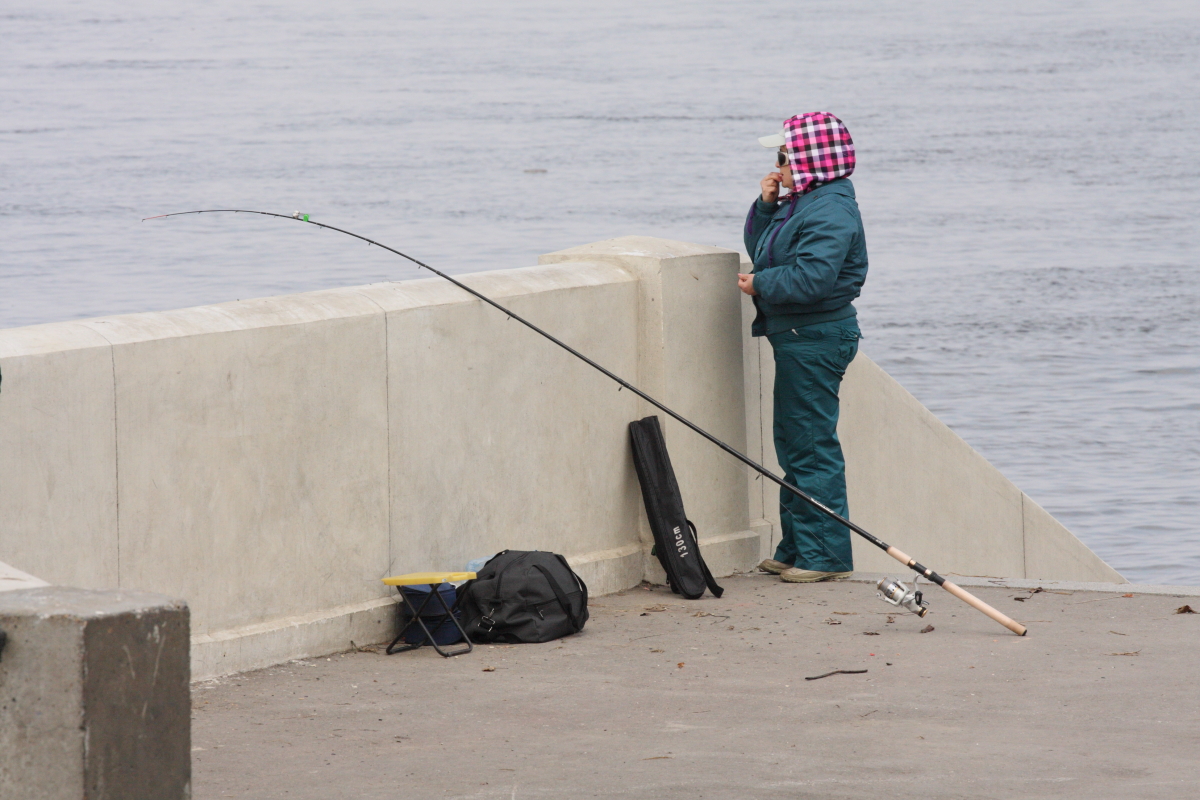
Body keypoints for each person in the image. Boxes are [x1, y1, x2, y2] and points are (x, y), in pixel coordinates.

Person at [739, 112, 867, 583]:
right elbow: (764, 249)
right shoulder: (804, 202)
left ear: (814, 159)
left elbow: (813, 278)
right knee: (795, 444)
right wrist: (767, 205)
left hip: (815, 336)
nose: (781, 165)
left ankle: (823, 556)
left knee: (811, 446)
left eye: (786, 156)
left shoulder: (830, 209)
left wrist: (760, 285)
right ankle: (795, 547)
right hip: (798, 336)